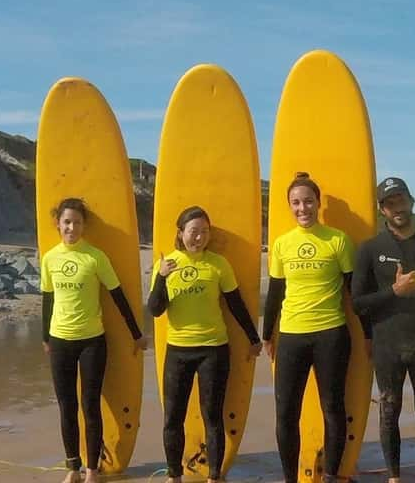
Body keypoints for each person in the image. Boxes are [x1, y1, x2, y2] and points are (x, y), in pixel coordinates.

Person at [148, 206, 262, 483]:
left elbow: (235, 304)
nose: (198, 237)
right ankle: (174, 475)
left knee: (213, 416)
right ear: (181, 233)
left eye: (204, 232)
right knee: (173, 417)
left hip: (213, 349)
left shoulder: (218, 264)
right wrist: (162, 276)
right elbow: (155, 309)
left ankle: (214, 476)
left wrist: (253, 337)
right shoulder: (166, 265)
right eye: (193, 232)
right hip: (178, 351)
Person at [41, 197, 148, 483]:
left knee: (90, 405)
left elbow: (118, 296)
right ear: (58, 224)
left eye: (76, 222)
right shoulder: (49, 258)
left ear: (84, 225)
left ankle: (92, 470)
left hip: (92, 341)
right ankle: (72, 468)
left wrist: (136, 334)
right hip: (60, 340)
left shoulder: (95, 257)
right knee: (67, 406)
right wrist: (45, 338)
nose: (71, 227)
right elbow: (47, 300)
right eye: (66, 222)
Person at [262, 172, 357, 483]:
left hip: (331, 334)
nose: (302, 208)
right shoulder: (282, 244)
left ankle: (331, 476)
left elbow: (353, 289)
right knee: (286, 412)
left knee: (333, 407)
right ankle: (290, 478)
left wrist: (370, 332)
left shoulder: (337, 240)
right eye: (296, 203)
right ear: (290, 206)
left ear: (318, 203)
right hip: (291, 336)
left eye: (308, 201)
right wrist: (267, 335)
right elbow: (275, 292)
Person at [352, 177, 415, 483]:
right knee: (389, 409)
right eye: (390, 204)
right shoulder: (370, 249)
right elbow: (358, 303)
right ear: (382, 210)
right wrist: (394, 291)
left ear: (411, 201)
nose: (398, 208)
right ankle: (394, 476)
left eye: (401, 200)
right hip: (387, 343)